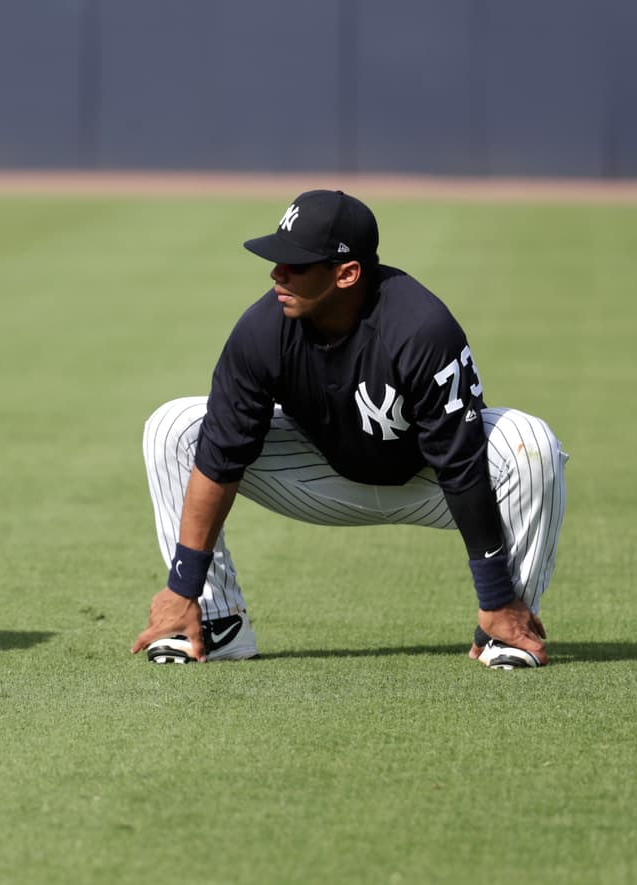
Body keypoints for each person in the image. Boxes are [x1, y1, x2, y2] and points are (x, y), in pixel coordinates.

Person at [131, 189, 567, 669]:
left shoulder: (420, 327)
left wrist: (494, 590)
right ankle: (212, 623)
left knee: (530, 443)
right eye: (278, 260)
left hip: (432, 483)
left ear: (347, 273)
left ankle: (505, 623)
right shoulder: (262, 330)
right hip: (318, 472)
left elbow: (462, 466)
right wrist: (181, 585)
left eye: (296, 264)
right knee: (175, 426)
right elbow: (219, 457)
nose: (277, 273)